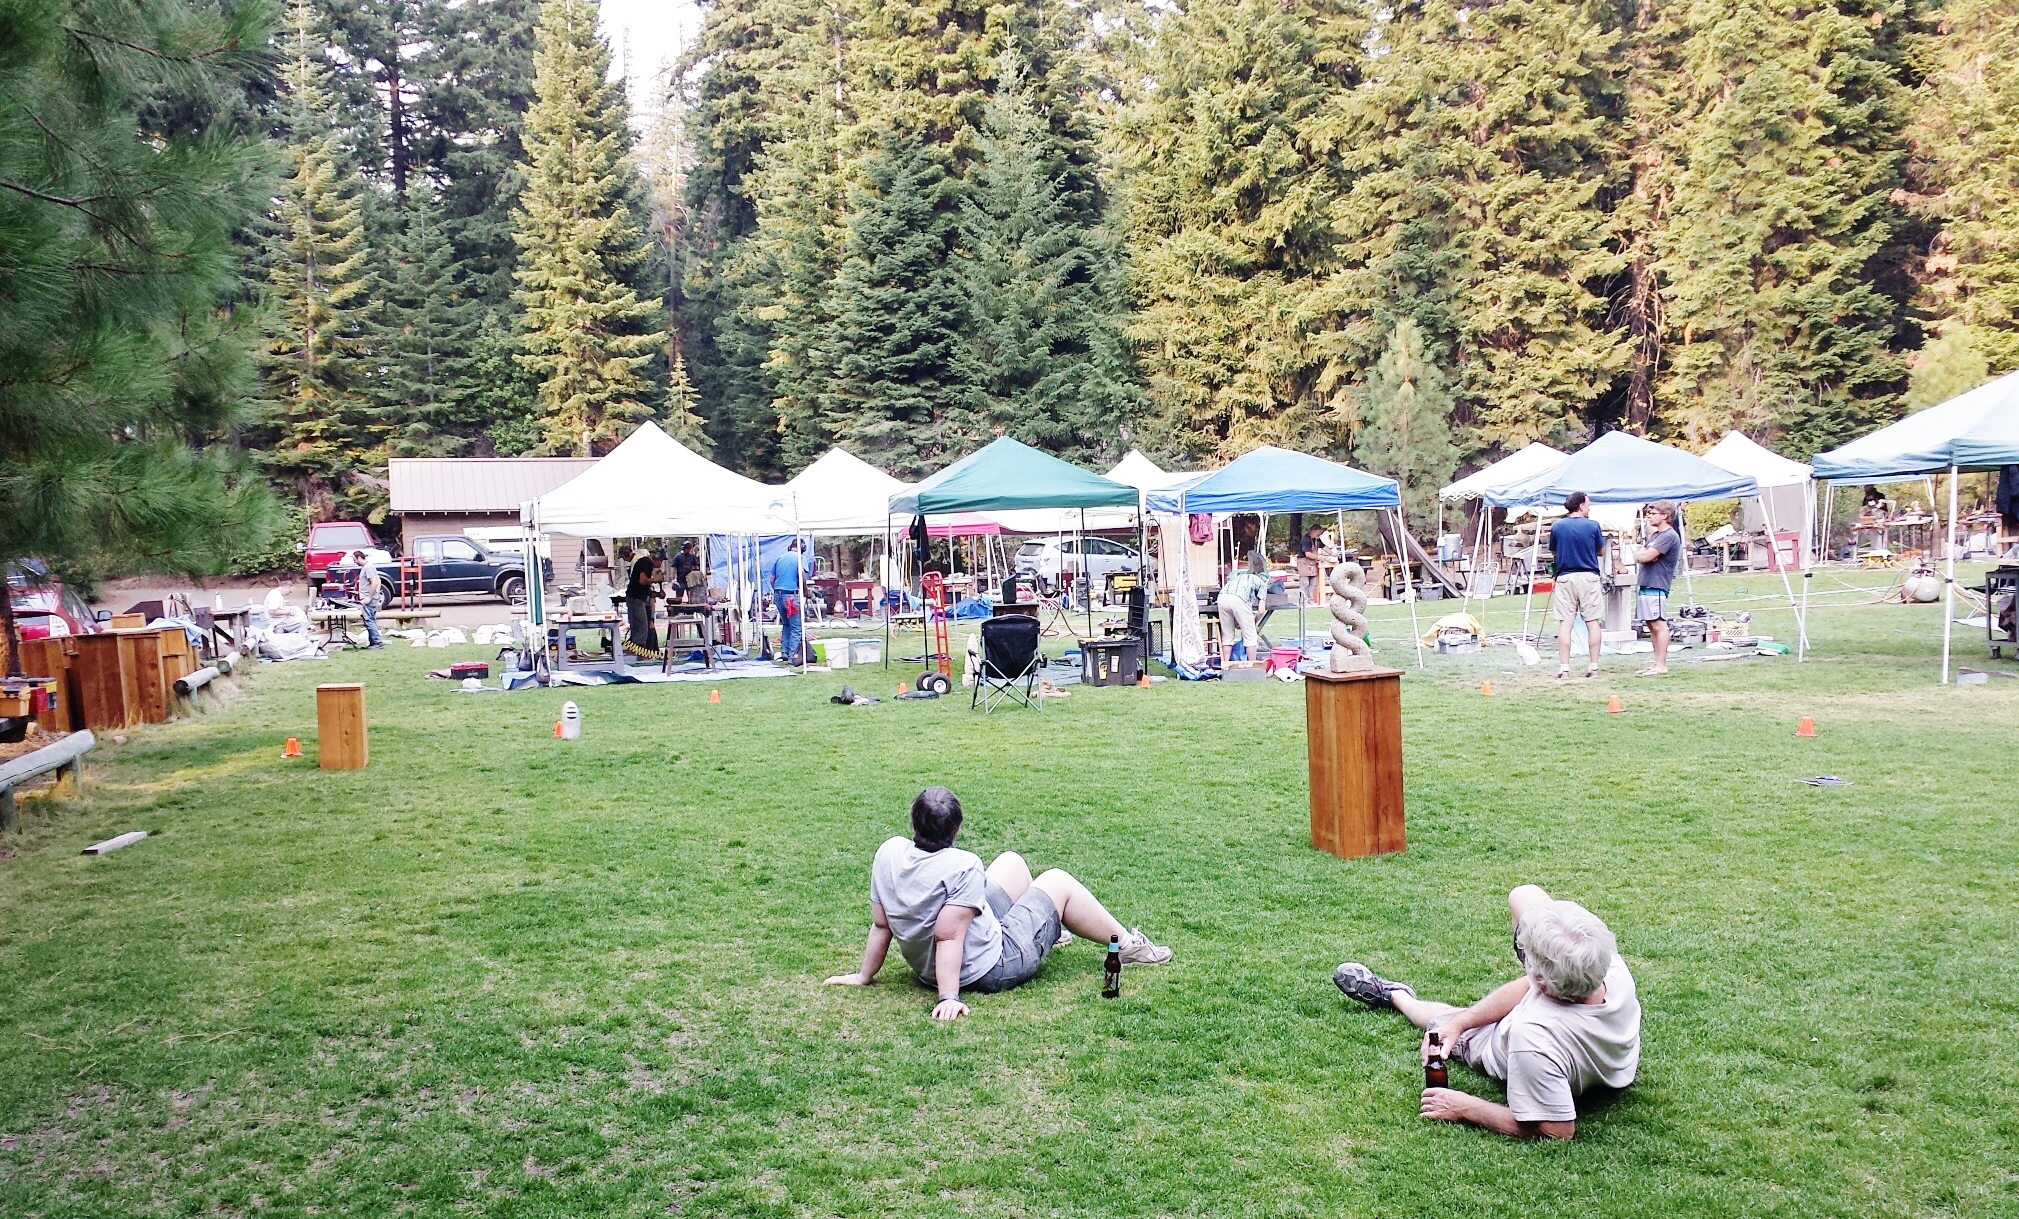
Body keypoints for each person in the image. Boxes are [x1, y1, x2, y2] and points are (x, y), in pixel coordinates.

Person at [825, 787, 1172, 1020]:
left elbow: (881, 924)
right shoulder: (963, 865)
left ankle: (1047, 932)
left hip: (929, 967)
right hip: (990, 967)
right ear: (956, 829)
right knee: (1057, 881)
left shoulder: (889, 852)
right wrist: (948, 998)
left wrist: (864, 975)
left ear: (913, 822)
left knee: (1011, 862)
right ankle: (1128, 946)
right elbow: (948, 938)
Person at [1333, 885, 1640, 1141]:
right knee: (1526, 895)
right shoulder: (1606, 964)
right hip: (1610, 1063)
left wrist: (1464, 1106)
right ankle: (1455, 1018)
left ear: (1546, 985)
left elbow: (1557, 1130)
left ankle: (1394, 996)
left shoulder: (1531, 1035)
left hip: (1511, 1047)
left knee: (1441, 1020)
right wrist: (1461, 1023)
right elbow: (1522, 898)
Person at [1549, 492, 1605, 679]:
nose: (1589, 508)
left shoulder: (1557, 526)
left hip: (1565, 577)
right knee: (1593, 622)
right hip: (1588, 576)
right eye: (1588, 505)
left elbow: (1554, 552)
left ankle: (1564, 668)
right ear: (1581, 506)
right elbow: (1600, 551)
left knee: (1565, 623)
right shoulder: (1593, 526)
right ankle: (1594, 667)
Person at [1634, 501, 1681, 677]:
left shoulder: (1668, 536)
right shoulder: (1655, 536)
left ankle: (1661, 664)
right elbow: (1642, 554)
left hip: (1657, 584)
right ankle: (1655, 663)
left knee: (1659, 623)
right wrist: (1642, 554)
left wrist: (1644, 554)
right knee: (1650, 624)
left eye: (1653, 513)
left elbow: (1645, 556)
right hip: (1647, 582)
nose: (1649, 516)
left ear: (1665, 516)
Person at [1217, 550, 1269, 661]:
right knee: (1250, 636)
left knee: (1227, 634)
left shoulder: (1240, 576)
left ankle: (1226, 665)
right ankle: (1252, 664)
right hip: (1239, 599)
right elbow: (1261, 610)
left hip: (1222, 597)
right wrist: (1253, 621)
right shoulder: (1263, 583)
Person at [767, 536, 805, 664]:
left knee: (786, 624)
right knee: (796, 627)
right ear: (802, 549)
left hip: (778, 595)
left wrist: (778, 591)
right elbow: (802, 577)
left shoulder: (780, 558)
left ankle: (784, 652)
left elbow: (771, 579)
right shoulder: (800, 558)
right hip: (791, 597)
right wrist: (805, 591)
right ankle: (792, 656)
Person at [348, 549, 384, 649]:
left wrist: (369, 596)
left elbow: (374, 582)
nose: (354, 562)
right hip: (371, 597)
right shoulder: (369, 567)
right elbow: (378, 581)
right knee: (370, 619)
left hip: (369, 599)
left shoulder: (367, 568)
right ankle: (372, 643)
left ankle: (377, 642)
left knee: (369, 620)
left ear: (359, 557)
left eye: (355, 560)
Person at [624, 553, 659, 651]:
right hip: (636, 598)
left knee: (637, 625)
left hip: (637, 597)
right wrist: (655, 580)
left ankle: (637, 650)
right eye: (660, 561)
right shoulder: (646, 563)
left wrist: (657, 593)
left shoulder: (645, 563)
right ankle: (640, 653)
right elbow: (642, 581)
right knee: (641, 626)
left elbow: (644, 587)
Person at [1296, 525, 1334, 606]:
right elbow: (1308, 554)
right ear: (1313, 531)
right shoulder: (1306, 539)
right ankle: (1303, 601)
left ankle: (1310, 600)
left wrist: (1332, 554)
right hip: (1304, 564)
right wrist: (1319, 557)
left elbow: (1324, 547)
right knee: (1305, 583)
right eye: (1319, 532)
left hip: (1312, 564)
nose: (1320, 534)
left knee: (1313, 583)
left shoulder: (1316, 539)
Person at [671, 540, 700, 604]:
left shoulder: (692, 556)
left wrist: (697, 576)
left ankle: (691, 607)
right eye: (688, 549)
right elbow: (674, 568)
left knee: (691, 597)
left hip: (690, 580)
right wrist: (673, 579)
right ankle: (678, 610)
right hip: (680, 579)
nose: (689, 550)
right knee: (679, 597)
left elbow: (696, 566)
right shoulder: (678, 556)